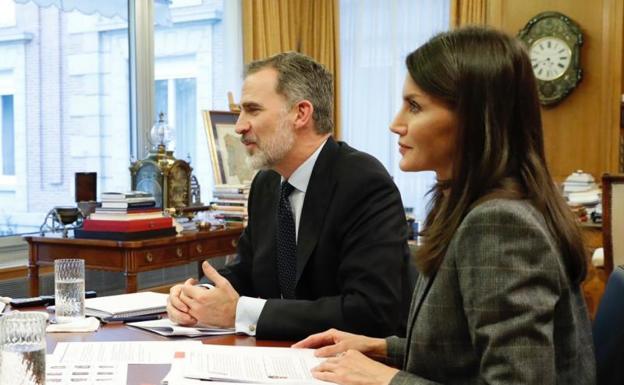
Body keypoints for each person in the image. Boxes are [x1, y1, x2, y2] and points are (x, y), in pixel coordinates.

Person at [294, 26, 596, 384]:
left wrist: (386, 379)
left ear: (474, 118)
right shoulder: (469, 204)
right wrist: (381, 347)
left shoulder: (498, 222)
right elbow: (462, 350)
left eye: (415, 106)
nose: (396, 124)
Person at [166, 51, 413, 340]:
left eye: (253, 110)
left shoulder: (363, 183)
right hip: (276, 355)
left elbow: (370, 311)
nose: (239, 126)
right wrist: (199, 297)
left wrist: (240, 313)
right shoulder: (266, 183)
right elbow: (247, 272)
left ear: (301, 113)